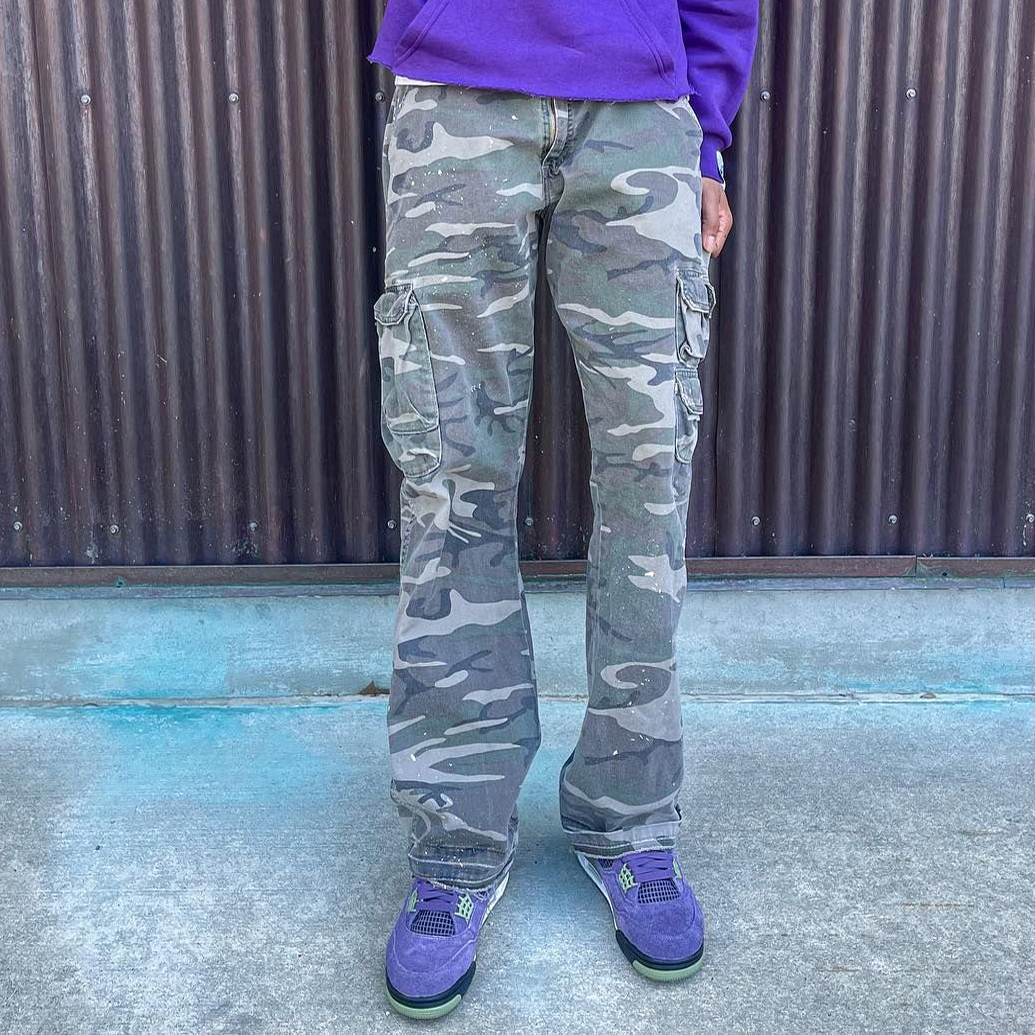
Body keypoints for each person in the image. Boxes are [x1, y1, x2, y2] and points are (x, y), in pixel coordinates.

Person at [368, 0, 758, 1018]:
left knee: (650, 476)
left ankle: (630, 820)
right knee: (449, 473)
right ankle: (457, 841)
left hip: (639, 113)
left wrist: (707, 138)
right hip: (455, 96)